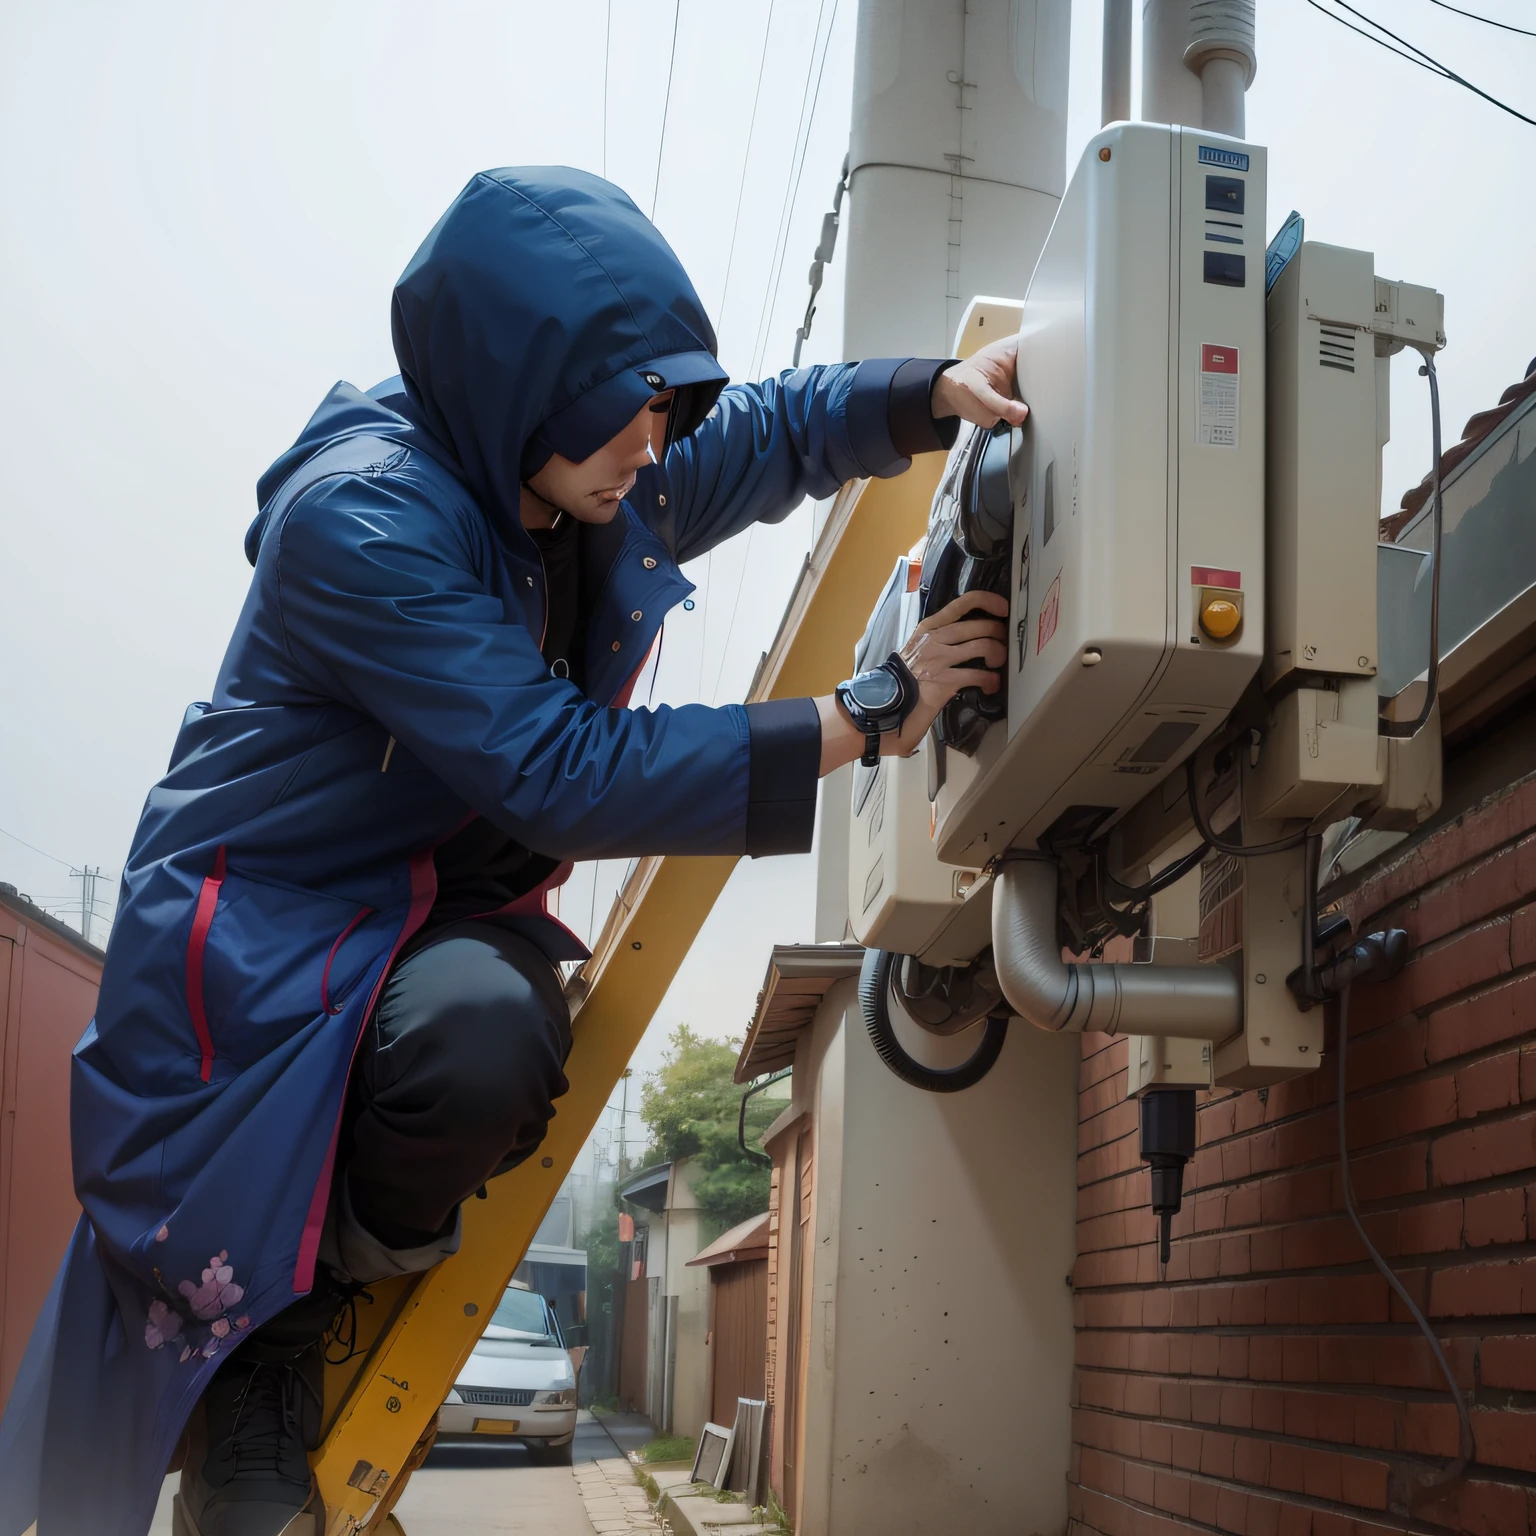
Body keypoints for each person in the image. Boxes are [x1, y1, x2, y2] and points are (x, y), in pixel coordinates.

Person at [0, 167, 1022, 1536]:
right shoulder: (364, 519)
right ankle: (262, 1366)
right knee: (203, 1251)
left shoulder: (594, 470)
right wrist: (866, 711)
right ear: (517, 383)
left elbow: (771, 431)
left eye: (667, 404)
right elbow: (555, 770)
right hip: (270, 934)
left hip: (434, 909)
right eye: (634, 404)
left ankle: (311, 1315)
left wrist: (933, 392)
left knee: (491, 1038)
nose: (657, 441)